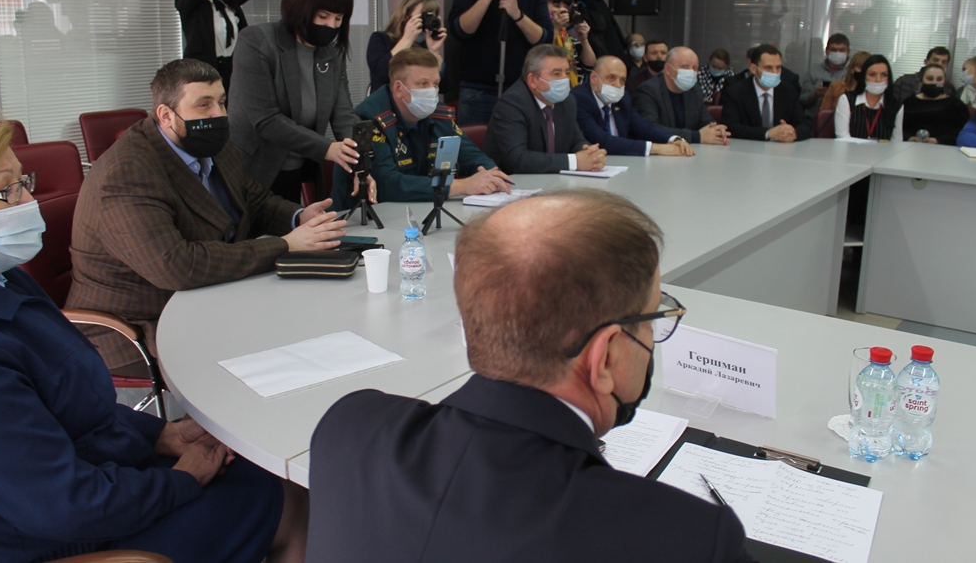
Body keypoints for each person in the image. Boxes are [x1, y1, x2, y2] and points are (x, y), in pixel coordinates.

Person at [305, 189, 752, 563]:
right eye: (652, 318)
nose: (653, 338)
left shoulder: (350, 429)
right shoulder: (687, 537)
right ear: (604, 359)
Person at [0, 114, 309, 563]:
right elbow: (64, 505)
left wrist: (160, 434)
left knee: (264, 472)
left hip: (93, 483)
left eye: (25, 182)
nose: (28, 201)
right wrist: (183, 480)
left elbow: (71, 408)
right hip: (52, 539)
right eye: (6, 191)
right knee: (287, 499)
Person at [68, 59, 348, 373]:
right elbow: (176, 266)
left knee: (313, 327)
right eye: (204, 105)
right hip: (138, 326)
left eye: (221, 102)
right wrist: (287, 245)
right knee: (281, 357)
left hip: (212, 299)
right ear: (166, 115)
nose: (218, 114)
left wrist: (298, 217)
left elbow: (252, 200)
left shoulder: (213, 145)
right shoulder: (127, 173)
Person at [229, 0, 361, 202]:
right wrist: (328, 148)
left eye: (338, 19)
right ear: (303, 7)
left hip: (300, 168)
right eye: (323, 16)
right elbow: (266, 120)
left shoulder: (332, 54)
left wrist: (361, 164)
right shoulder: (257, 42)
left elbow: (343, 115)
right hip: (255, 167)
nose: (331, 26)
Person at [332, 49, 511, 210]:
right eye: (423, 84)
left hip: (417, 211)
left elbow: (468, 153)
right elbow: (387, 184)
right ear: (398, 88)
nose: (432, 91)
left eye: (436, 84)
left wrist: (490, 174)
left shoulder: (437, 113)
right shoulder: (370, 118)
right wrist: (462, 186)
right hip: (363, 219)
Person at [447, 0, 554, 126]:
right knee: (474, 143)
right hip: (477, 90)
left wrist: (517, 14)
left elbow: (544, 38)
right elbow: (460, 30)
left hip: (520, 89)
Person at [483, 45, 606, 174]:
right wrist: (574, 161)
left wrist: (590, 154)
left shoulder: (567, 101)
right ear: (532, 80)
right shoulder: (511, 104)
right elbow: (518, 160)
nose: (565, 79)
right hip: (509, 182)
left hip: (552, 180)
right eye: (556, 73)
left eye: (567, 72)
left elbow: (576, 140)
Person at [573, 56, 694, 157]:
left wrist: (673, 139)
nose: (618, 85)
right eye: (611, 78)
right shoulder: (579, 99)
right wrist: (656, 148)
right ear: (594, 78)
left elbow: (643, 128)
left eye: (622, 80)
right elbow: (600, 140)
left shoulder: (622, 98)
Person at [632, 47, 731, 146]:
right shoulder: (648, 91)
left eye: (695, 68)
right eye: (685, 66)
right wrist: (696, 136)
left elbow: (705, 120)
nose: (691, 72)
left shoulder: (694, 89)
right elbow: (650, 129)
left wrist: (716, 130)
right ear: (668, 69)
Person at [721, 44, 812, 142]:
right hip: (747, 148)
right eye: (768, 68)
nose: (775, 72)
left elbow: (805, 124)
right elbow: (731, 127)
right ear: (754, 69)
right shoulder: (735, 92)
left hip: (781, 148)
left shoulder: (788, 91)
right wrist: (768, 133)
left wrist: (794, 133)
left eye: (778, 67)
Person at [366, 0, 446, 93]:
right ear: (405, 16)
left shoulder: (426, 45)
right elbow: (380, 74)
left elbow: (444, 87)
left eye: (432, 16)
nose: (427, 20)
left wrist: (434, 52)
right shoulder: (381, 39)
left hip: (419, 102)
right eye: (424, 16)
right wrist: (407, 40)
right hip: (387, 100)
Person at [834, 55, 904, 142]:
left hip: (884, 151)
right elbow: (842, 137)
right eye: (872, 75)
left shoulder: (896, 105)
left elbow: (896, 141)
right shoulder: (847, 100)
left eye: (884, 75)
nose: (878, 80)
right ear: (864, 77)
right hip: (851, 150)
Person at [901, 64, 969, 145]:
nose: (934, 82)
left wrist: (939, 140)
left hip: (945, 148)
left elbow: (965, 132)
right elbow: (898, 128)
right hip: (912, 147)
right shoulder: (909, 102)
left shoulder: (956, 105)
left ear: (944, 81)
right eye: (929, 79)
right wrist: (908, 138)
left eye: (939, 79)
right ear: (921, 80)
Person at [547, 0, 595, 87]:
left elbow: (589, 66)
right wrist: (555, 28)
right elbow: (542, 56)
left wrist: (584, 39)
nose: (563, 10)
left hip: (573, 89)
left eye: (565, 7)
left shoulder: (568, 38)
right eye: (557, 6)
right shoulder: (538, 35)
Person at [800, 33, 851, 112]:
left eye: (841, 50)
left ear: (848, 52)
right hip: (814, 116)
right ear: (827, 51)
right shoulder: (814, 71)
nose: (837, 53)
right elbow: (802, 101)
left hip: (844, 115)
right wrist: (815, 94)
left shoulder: (852, 72)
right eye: (834, 50)